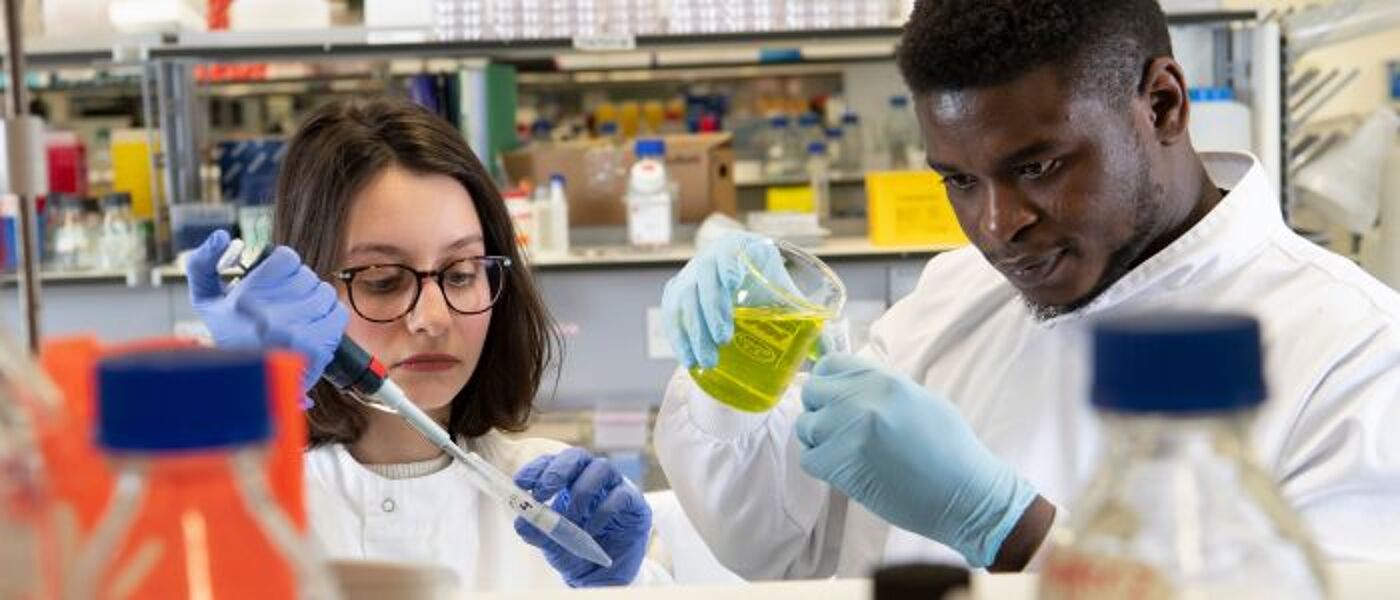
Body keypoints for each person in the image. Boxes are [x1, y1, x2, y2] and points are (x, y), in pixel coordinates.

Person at [655, 0, 1400, 579]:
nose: (996, 226)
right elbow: (781, 544)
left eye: (1037, 167)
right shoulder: (956, 294)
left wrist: (1011, 529)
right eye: (958, 180)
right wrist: (732, 369)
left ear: (1163, 105)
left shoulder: (1355, 354)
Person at [184, 98, 666, 589]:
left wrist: (625, 588)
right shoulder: (253, 502)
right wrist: (240, 407)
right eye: (383, 280)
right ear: (307, 290)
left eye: (461, 274)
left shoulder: (556, 504)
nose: (433, 318)